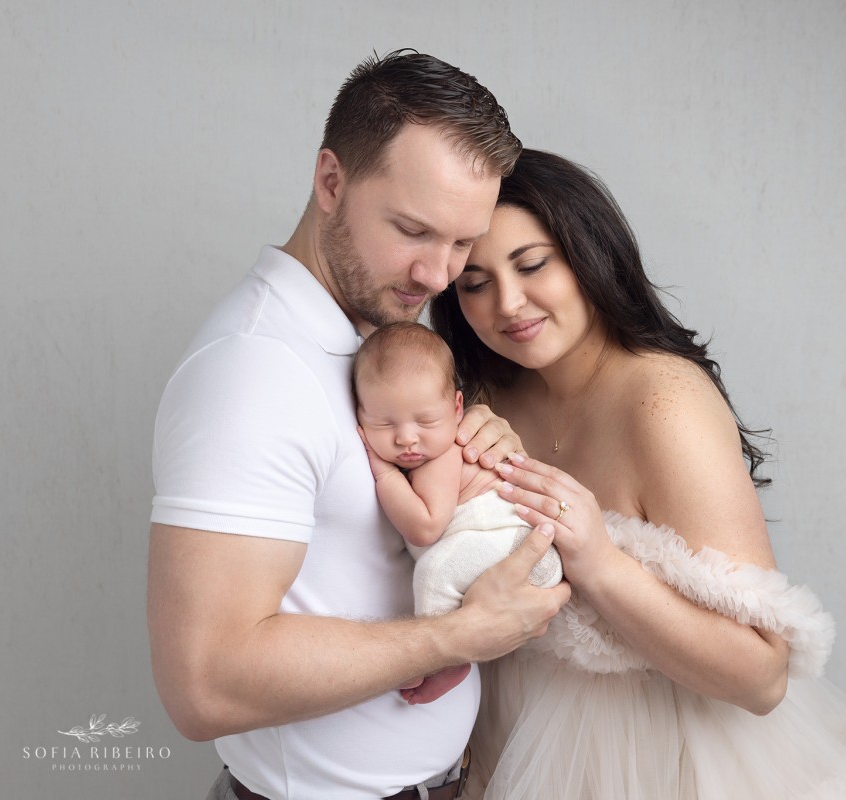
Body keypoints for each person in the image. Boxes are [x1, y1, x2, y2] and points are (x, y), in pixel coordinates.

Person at [429, 149, 846, 798]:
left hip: (663, 758)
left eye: (532, 265)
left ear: (587, 254)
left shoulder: (664, 403)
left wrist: (598, 561)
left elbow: (762, 677)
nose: (508, 303)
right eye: (475, 283)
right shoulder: (483, 394)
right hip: (513, 737)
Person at [146, 53, 569, 800]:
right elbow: (203, 684)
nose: (440, 276)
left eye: (462, 242)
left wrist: (475, 453)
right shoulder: (252, 372)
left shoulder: (370, 343)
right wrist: (454, 637)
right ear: (331, 182)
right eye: (414, 230)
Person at [352, 322, 563, 705]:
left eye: (426, 421)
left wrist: (383, 472)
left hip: (519, 550)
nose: (407, 438)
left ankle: (444, 659)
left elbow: (425, 527)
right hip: (502, 550)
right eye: (383, 424)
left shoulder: (444, 455)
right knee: (438, 567)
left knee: (434, 571)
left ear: (456, 408)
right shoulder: (422, 448)